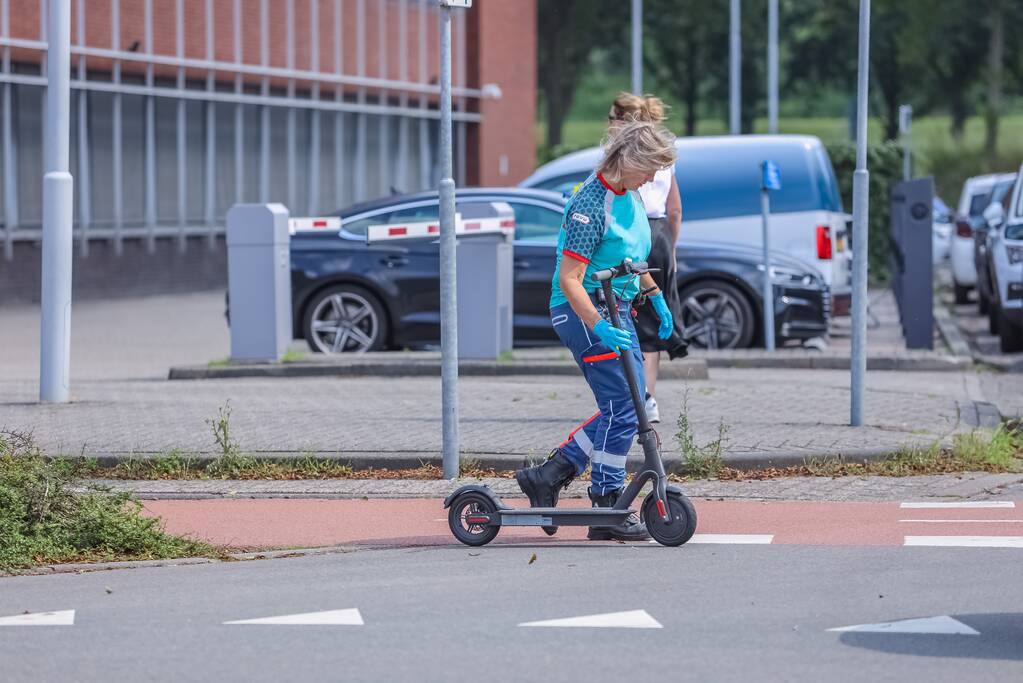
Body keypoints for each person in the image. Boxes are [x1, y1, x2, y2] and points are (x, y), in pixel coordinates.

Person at [514, 120, 677, 541]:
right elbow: (570, 279)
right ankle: (607, 503)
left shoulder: (631, 195)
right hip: (582, 310)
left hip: (617, 305)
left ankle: (549, 475)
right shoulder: (590, 205)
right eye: (651, 168)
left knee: (629, 405)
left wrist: (656, 298)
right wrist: (599, 326)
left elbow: (632, 261)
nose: (655, 178)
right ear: (631, 161)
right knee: (625, 409)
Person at [607, 93, 688, 423]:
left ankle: (634, 394)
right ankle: (648, 397)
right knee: (653, 321)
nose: (608, 121)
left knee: (626, 313)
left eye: (612, 116)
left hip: (634, 232)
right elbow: (675, 210)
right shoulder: (664, 156)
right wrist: (671, 249)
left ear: (624, 120)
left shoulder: (624, 157)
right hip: (660, 236)